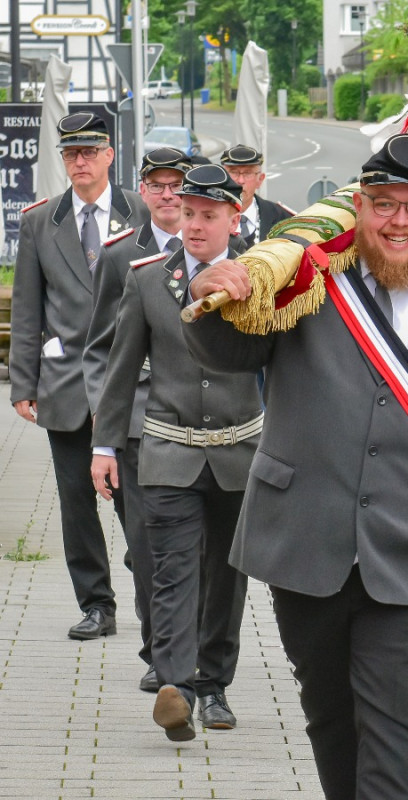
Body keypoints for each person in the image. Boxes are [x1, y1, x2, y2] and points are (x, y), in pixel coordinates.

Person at [182, 133, 408, 798]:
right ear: (357, 207)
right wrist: (211, 289)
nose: (400, 221)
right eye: (384, 203)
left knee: (397, 735)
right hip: (307, 548)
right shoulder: (304, 283)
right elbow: (228, 353)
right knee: (332, 723)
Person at [91, 164, 256, 741]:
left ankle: (214, 686)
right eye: (188, 214)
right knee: (170, 572)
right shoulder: (147, 279)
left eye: (209, 215)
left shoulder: (260, 277)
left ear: (234, 219)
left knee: (226, 578)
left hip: (239, 452)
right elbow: (119, 367)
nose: (195, 225)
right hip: (167, 450)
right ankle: (176, 688)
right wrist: (105, 445)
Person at [8, 111, 148, 640]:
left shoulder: (140, 212)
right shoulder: (42, 221)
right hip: (65, 384)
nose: (80, 161)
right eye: (71, 153)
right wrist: (23, 382)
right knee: (75, 503)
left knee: (137, 500)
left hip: (129, 383)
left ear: (110, 155)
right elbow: (28, 309)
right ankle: (96, 605)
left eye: (89, 152)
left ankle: (153, 595)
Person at [83, 146, 193, 693]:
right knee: (149, 551)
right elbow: (101, 349)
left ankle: (198, 656)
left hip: (208, 430)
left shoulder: (230, 250)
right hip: (138, 428)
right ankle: (161, 652)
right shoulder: (121, 253)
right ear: (142, 191)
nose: (168, 195)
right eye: (158, 185)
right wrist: (105, 431)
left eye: (178, 185)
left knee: (201, 553)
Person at [219, 145, 295, 246]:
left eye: (248, 173)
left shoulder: (281, 219)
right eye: (234, 172)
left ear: (260, 180)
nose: (240, 181)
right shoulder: (206, 216)